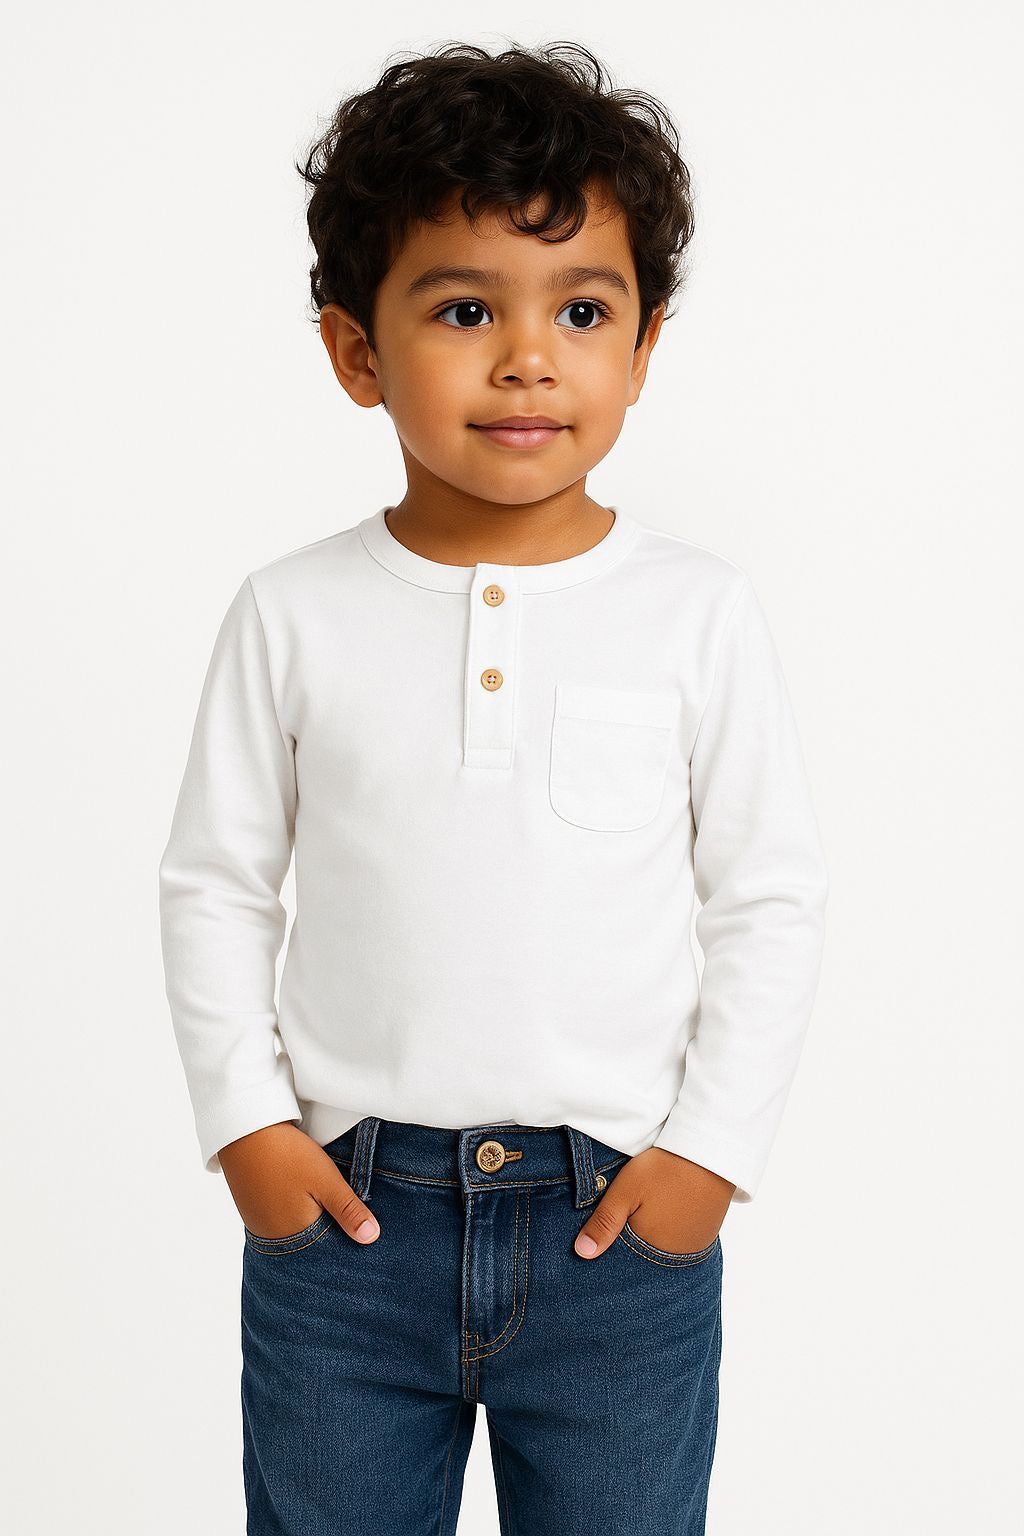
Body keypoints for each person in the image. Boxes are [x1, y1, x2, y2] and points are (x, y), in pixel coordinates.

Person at [158, 39, 828, 1536]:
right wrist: (248, 1130)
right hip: (347, 1232)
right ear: (356, 352)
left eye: (582, 311)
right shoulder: (292, 612)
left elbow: (771, 898)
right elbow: (214, 884)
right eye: (465, 309)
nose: (529, 356)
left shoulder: (697, 614)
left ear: (643, 348)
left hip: (617, 1235)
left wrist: (708, 1160)